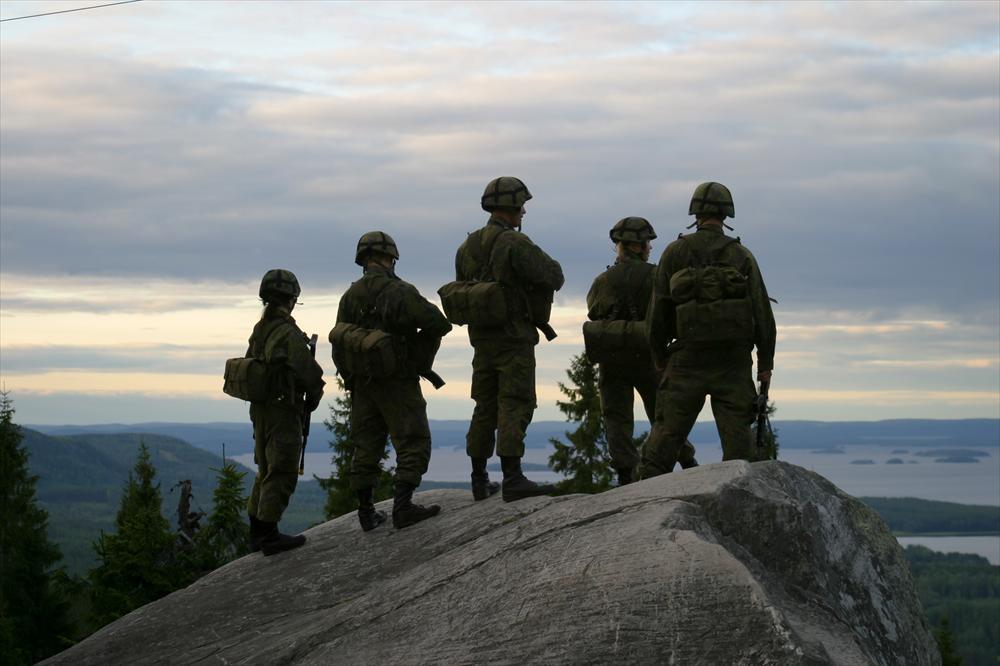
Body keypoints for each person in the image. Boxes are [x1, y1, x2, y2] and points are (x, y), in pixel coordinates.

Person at [639, 182, 776, 477]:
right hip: (733, 362)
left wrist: (659, 357)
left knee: (663, 442)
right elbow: (763, 314)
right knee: (739, 452)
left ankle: (641, 498)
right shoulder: (741, 255)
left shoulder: (674, 253)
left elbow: (657, 312)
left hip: (686, 360)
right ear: (726, 214)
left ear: (695, 214)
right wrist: (765, 363)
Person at [454, 176, 565, 502]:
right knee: (516, 402)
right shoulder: (515, 243)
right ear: (512, 206)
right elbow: (554, 275)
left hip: (481, 339)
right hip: (514, 337)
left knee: (484, 405)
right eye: (522, 206)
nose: (524, 212)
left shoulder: (467, 247)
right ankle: (513, 478)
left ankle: (479, 479)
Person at [334, 231, 451, 530]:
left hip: (363, 384)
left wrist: (352, 379)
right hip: (398, 381)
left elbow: (339, 345)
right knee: (413, 441)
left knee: (366, 447)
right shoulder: (400, 291)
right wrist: (416, 355)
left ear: (362, 260)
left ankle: (366, 512)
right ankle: (403, 507)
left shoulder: (349, 297)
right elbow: (439, 323)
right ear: (390, 258)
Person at [585, 217, 697, 486]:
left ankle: (625, 474)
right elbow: (670, 313)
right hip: (649, 356)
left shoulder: (602, 279)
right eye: (647, 242)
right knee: (664, 416)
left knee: (616, 417)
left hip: (612, 357)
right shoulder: (657, 276)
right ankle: (687, 462)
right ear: (636, 246)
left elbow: (594, 310)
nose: (650, 247)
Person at [246, 269, 325, 556]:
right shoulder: (286, 332)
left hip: (261, 409)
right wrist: (315, 396)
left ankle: (257, 532)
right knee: (282, 469)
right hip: (282, 410)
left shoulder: (261, 329)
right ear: (291, 299)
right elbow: (308, 371)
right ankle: (269, 535)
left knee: (265, 468)